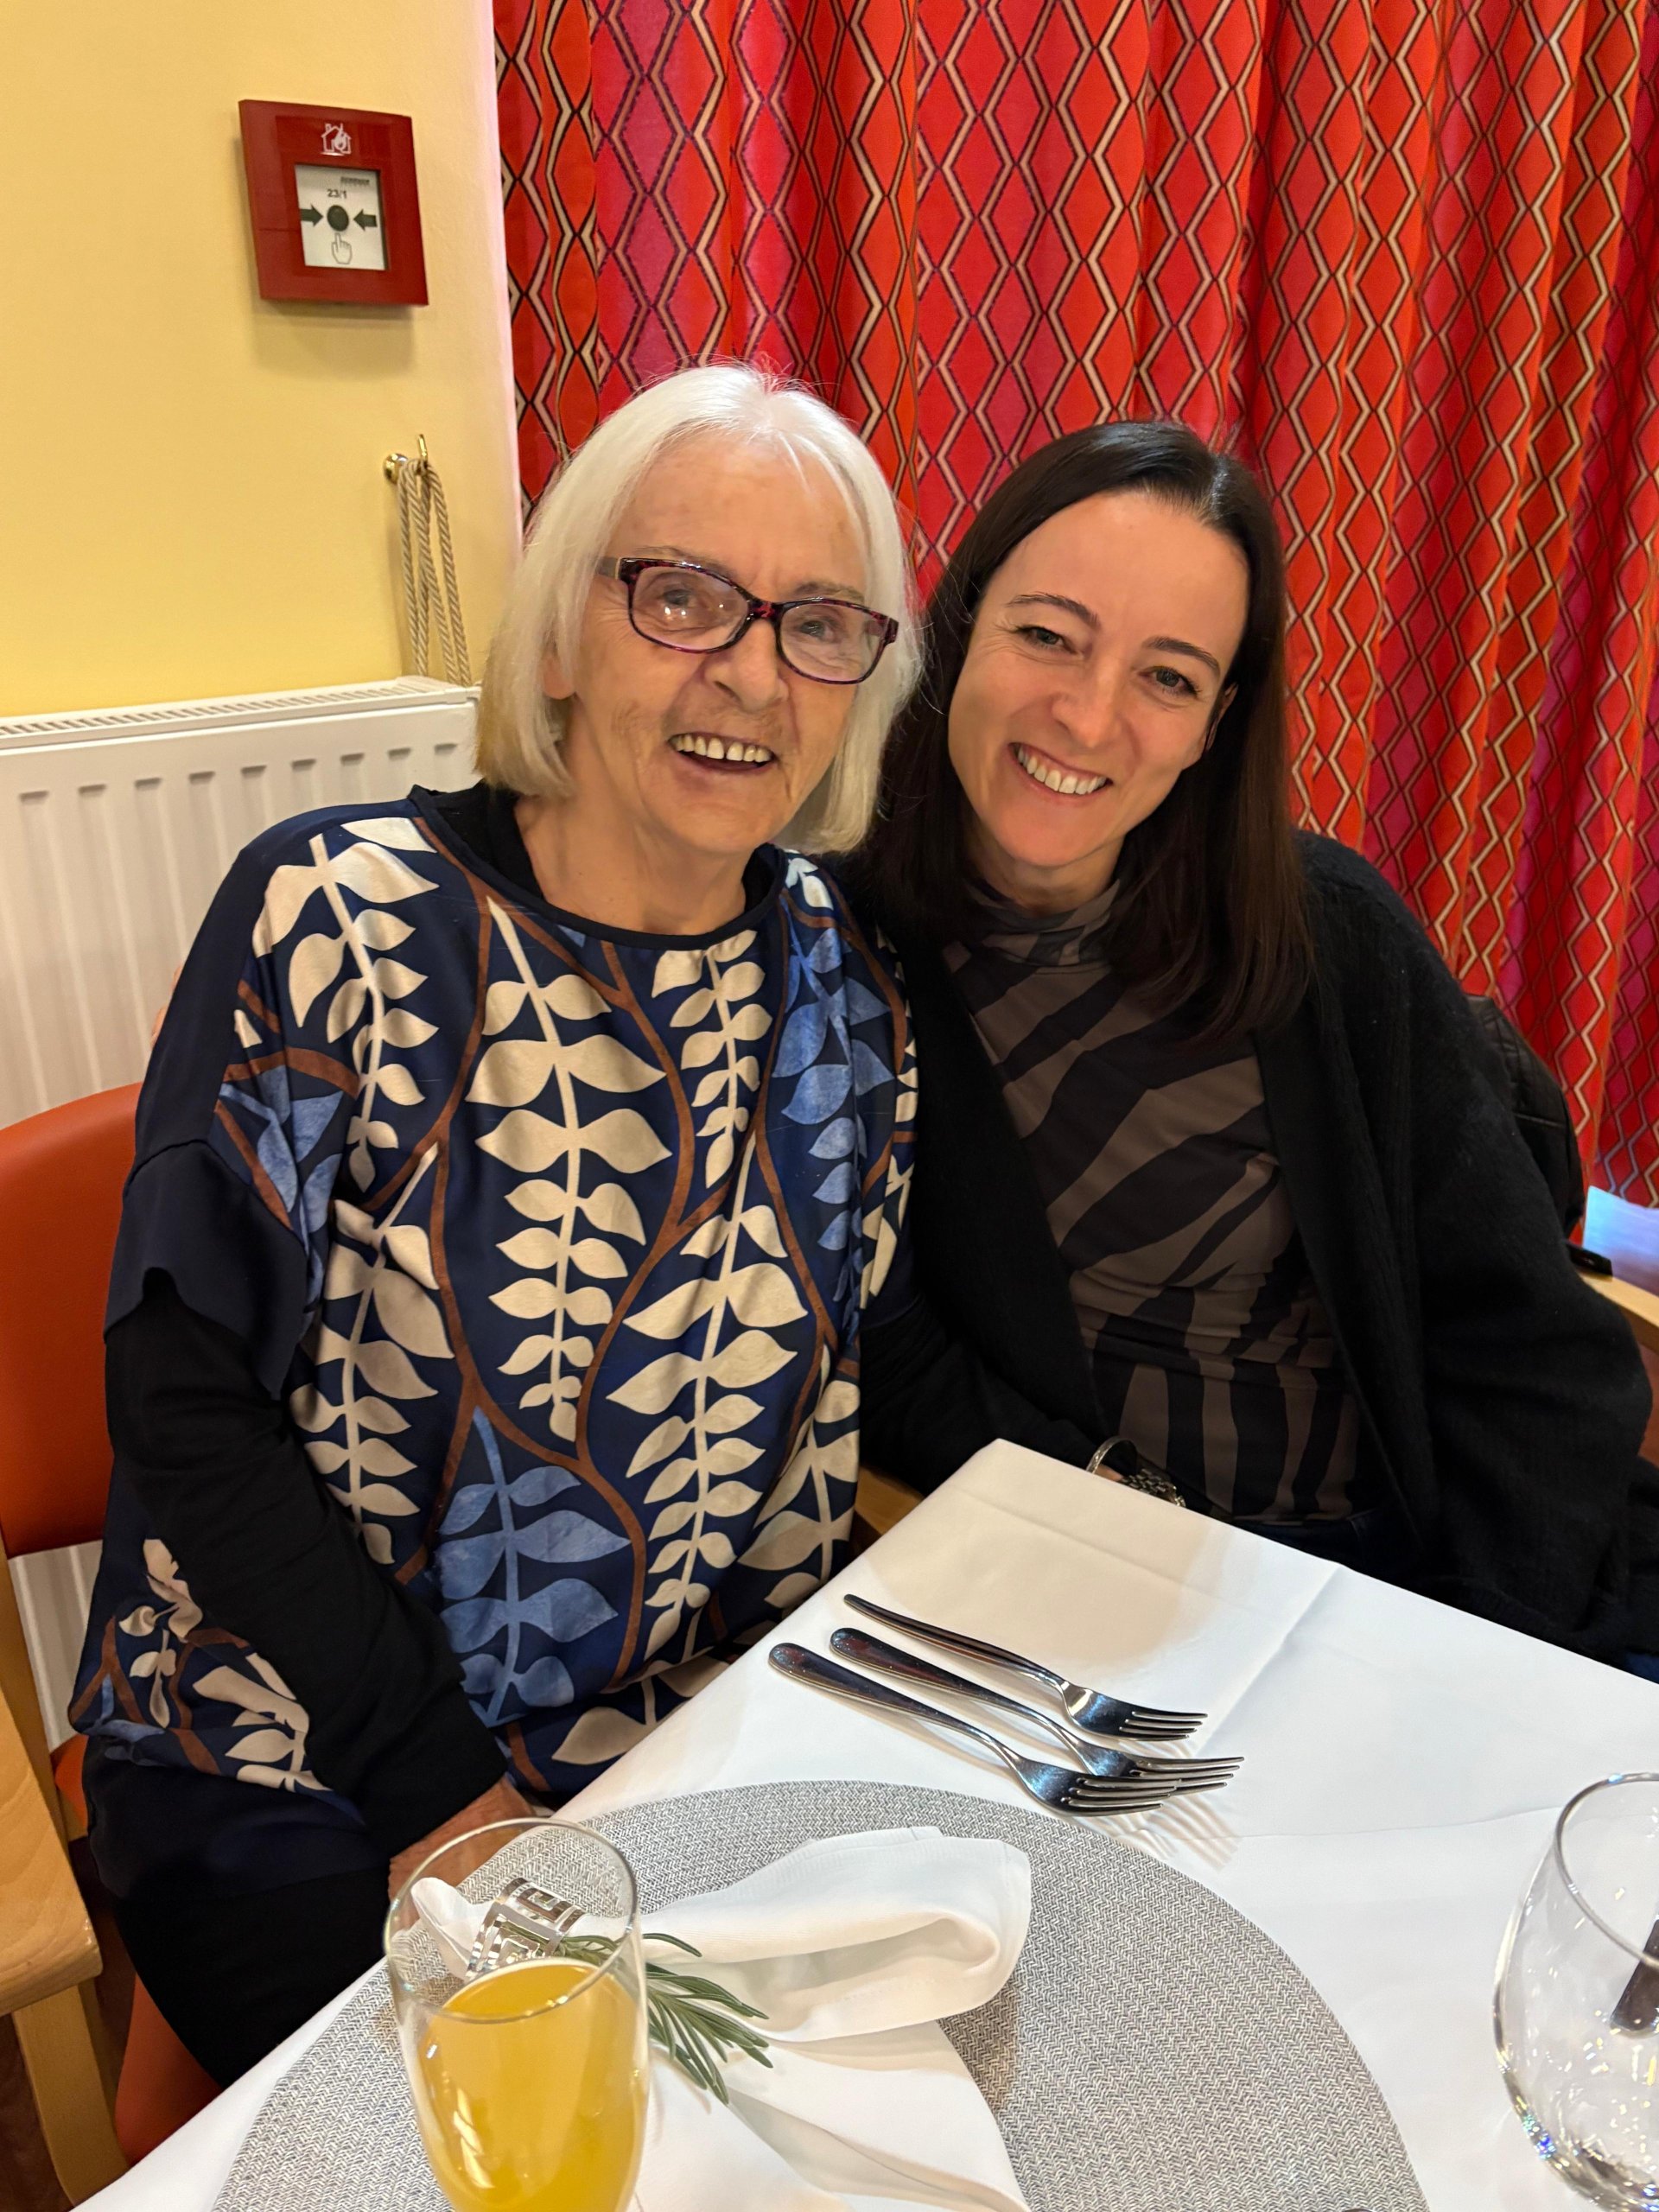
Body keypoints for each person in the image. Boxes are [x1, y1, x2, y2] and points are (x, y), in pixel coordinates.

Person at [71, 364, 940, 2085]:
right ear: (558, 637)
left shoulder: (849, 985)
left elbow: (844, 1375)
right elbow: (179, 1403)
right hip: (298, 1758)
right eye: (682, 595)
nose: (751, 673)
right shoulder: (342, 917)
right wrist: (438, 1782)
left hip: (669, 1728)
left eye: (820, 624)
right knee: (544, 2139)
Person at [852, 419, 1655, 1658]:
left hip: (1432, 1571)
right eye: (1049, 635)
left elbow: (1531, 1346)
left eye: (1168, 677)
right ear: (956, 629)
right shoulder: (838, 958)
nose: (1088, 716)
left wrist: (1475, 1652)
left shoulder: (1325, 932)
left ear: (1215, 723)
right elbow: (887, 1356)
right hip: (1098, 1590)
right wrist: (1126, 1524)